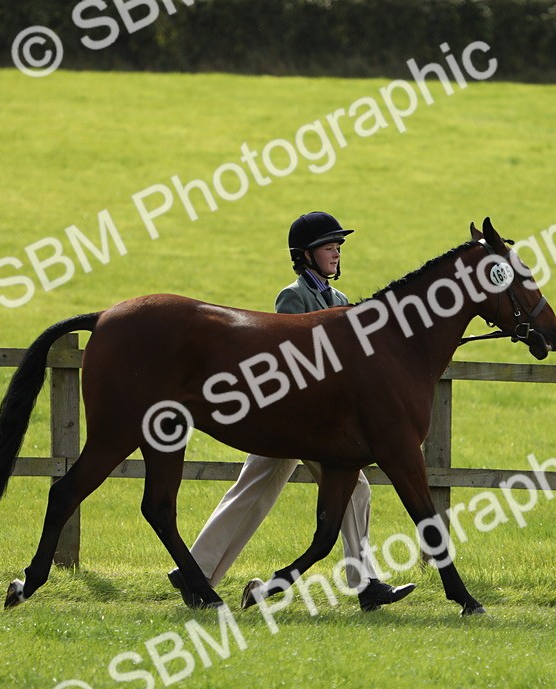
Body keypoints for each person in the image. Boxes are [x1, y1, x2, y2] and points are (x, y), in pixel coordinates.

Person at [168, 212, 415, 612]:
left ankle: (195, 571)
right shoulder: (293, 297)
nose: (336, 253)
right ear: (305, 255)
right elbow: (287, 354)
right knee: (353, 488)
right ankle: (366, 584)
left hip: (316, 422)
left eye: (338, 246)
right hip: (295, 419)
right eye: (328, 247)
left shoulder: (339, 301)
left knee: (253, 492)